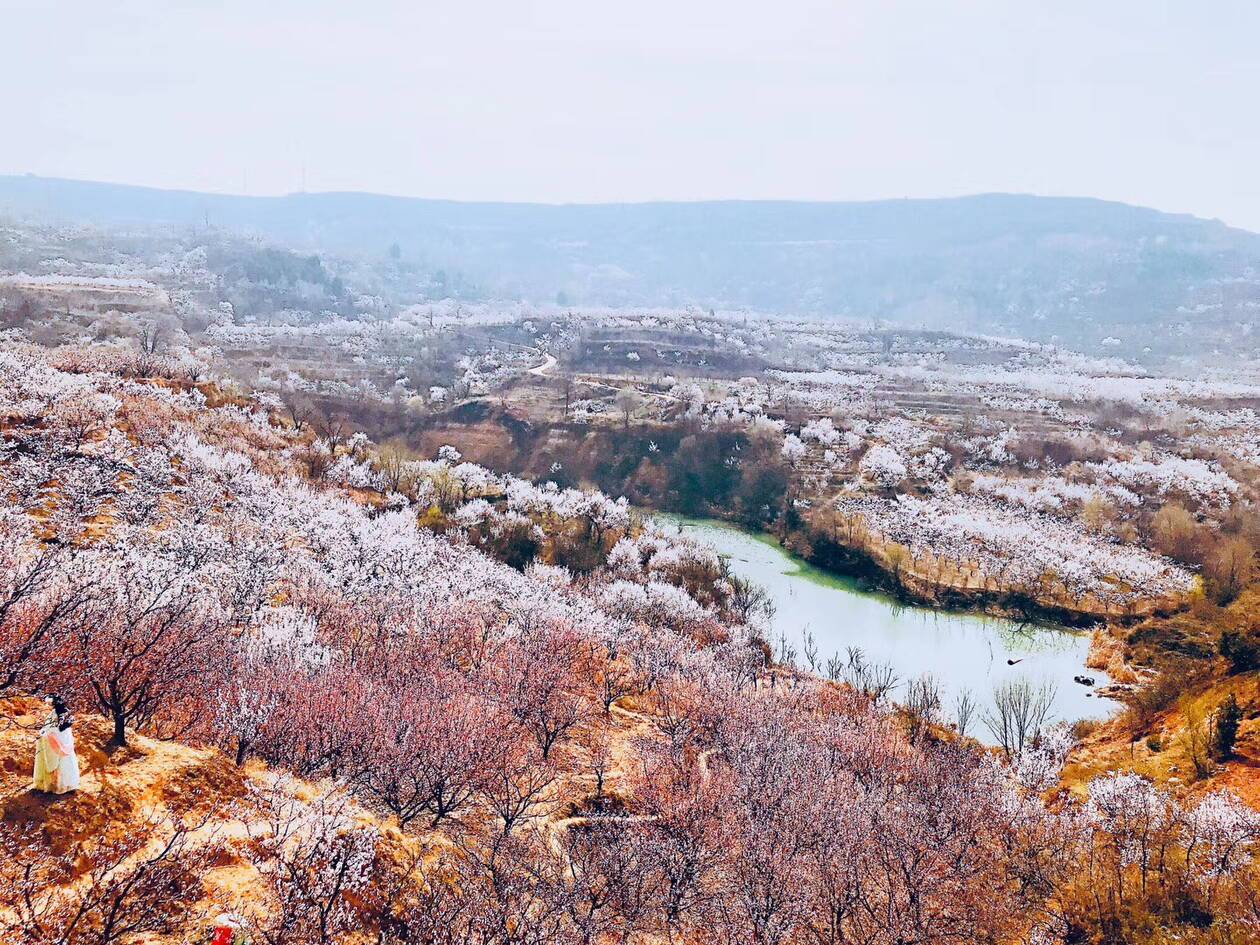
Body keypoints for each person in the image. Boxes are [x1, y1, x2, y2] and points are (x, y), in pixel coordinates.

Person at [32, 695, 80, 794]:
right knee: (64, 761)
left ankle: (54, 784)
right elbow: (63, 727)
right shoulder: (65, 711)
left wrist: (43, 734)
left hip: (55, 739)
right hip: (61, 739)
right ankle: (62, 784)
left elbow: (58, 728)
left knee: (58, 761)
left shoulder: (58, 712)